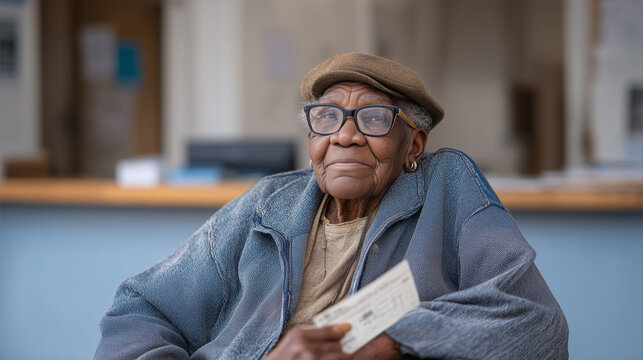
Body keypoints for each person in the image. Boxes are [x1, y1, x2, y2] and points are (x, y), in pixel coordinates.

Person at [94, 52, 568, 360]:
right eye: (327, 117)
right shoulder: (268, 204)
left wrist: (388, 342)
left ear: (413, 144)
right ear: (311, 138)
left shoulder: (447, 186)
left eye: (375, 117)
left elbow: (536, 323)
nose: (345, 134)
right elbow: (140, 309)